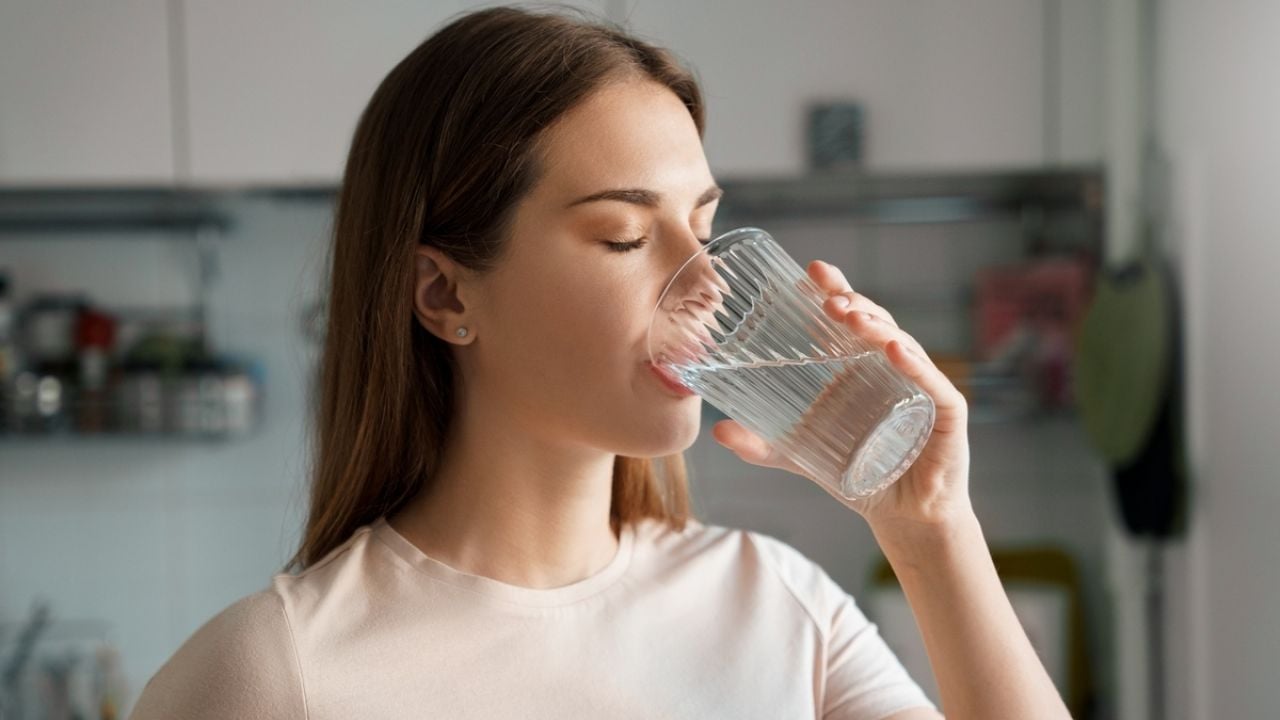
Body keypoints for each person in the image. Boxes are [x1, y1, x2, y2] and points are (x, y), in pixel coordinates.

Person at [129, 6, 1071, 719]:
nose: (703, 281)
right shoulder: (279, 670)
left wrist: (931, 530)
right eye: (624, 236)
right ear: (447, 297)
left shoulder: (777, 607)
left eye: (701, 226)